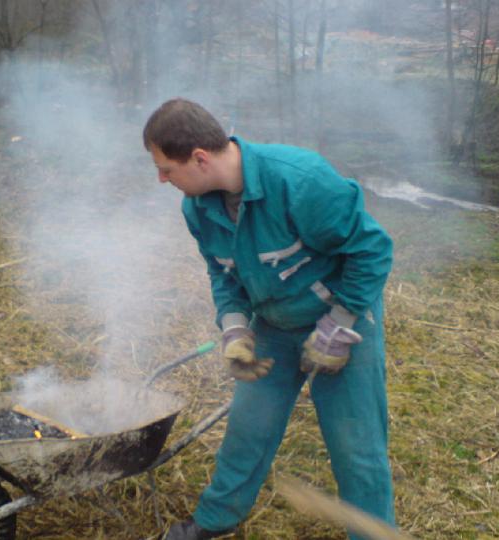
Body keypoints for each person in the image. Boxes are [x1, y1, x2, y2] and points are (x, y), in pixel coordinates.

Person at [143, 98, 395, 540]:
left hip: (343, 320)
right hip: (275, 327)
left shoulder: (300, 181)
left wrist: (338, 324)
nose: (162, 178)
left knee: (356, 449)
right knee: (247, 429)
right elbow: (223, 272)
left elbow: (372, 251)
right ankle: (216, 521)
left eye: (166, 168)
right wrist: (236, 328)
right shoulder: (198, 207)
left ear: (199, 158)